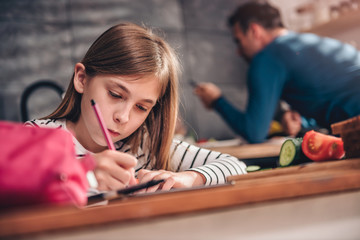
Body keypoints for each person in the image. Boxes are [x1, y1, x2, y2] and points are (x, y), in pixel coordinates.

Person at [25, 23, 246, 192]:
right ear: (82, 79)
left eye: (141, 107)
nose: (123, 116)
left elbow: (234, 165)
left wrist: (188, 177)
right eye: (115, 94)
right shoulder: (36, 137)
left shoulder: (145, 144)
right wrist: (84, 174)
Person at [194, 1, 360, 143]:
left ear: (254, 31)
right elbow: (333, 98)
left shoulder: (267, 57)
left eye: (239, 41)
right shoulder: (305, 42)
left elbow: (254, 133)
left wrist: (217, 101)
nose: (238, 51)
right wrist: (296, 119)